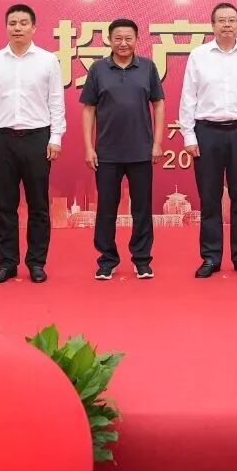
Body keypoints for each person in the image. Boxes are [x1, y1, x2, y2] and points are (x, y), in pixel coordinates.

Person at [179, 2, 237, 279]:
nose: (227, 24)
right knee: (210, 198)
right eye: (221, 20)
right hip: (207, 132)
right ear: (212, 25)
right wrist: (189, 135)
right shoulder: (199, 55)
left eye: (231, 20)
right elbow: (188, 97)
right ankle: (211, 257)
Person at [0, 4, 65, 285]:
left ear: (34, 27)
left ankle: (36, 262)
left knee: (38, 205)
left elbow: (56, 101)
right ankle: (7, 264)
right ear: (6, 27)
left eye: (23, 23)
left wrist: (55, 137)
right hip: (2, 139)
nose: (17, 27)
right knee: (5, 205)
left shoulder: (48, 60)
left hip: (38, 138)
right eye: (12, 23)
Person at [80, 18, 166, 280]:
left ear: (137, 40)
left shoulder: (147, 67)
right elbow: (89, 109)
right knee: (107, 208)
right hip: (107, 153)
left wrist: (157, 143)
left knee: (142, 208)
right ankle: (107, 260)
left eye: (128, 38)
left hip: (141, 151)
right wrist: (89, 147)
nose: (123, 43)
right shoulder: (98, 69)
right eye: (118, 38)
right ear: (109, 39)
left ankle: (142, 260)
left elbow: (158, 104)